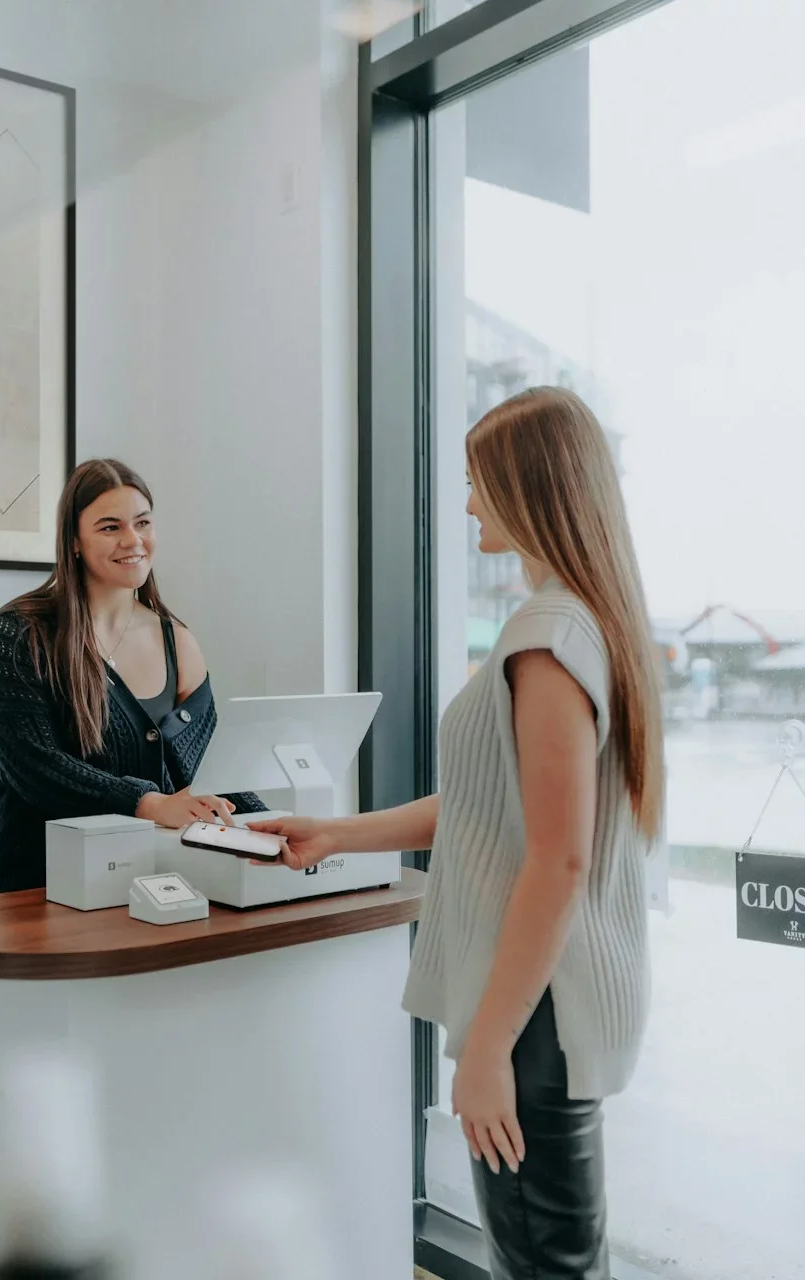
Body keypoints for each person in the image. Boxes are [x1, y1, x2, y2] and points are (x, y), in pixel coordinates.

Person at [254, 387, 662, 1278]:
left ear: (529, 487)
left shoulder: (545, 638)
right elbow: (490, 804)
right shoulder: (588, 624)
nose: (469, 501)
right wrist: (333, 833)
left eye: (478, 481)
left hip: (534, 1017)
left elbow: (556, 859)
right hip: (549, 1008)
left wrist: (485, 1049)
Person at [0, 458, 262, 894]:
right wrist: (146, 803)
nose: (133, 540)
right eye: (110, 527)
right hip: (41, 887)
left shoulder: (178, 641)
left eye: (142, 523)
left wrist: (270, 822)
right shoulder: (22, 634)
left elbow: (203, 777)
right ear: (74, 541)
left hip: (159, 885)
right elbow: (34, 768)